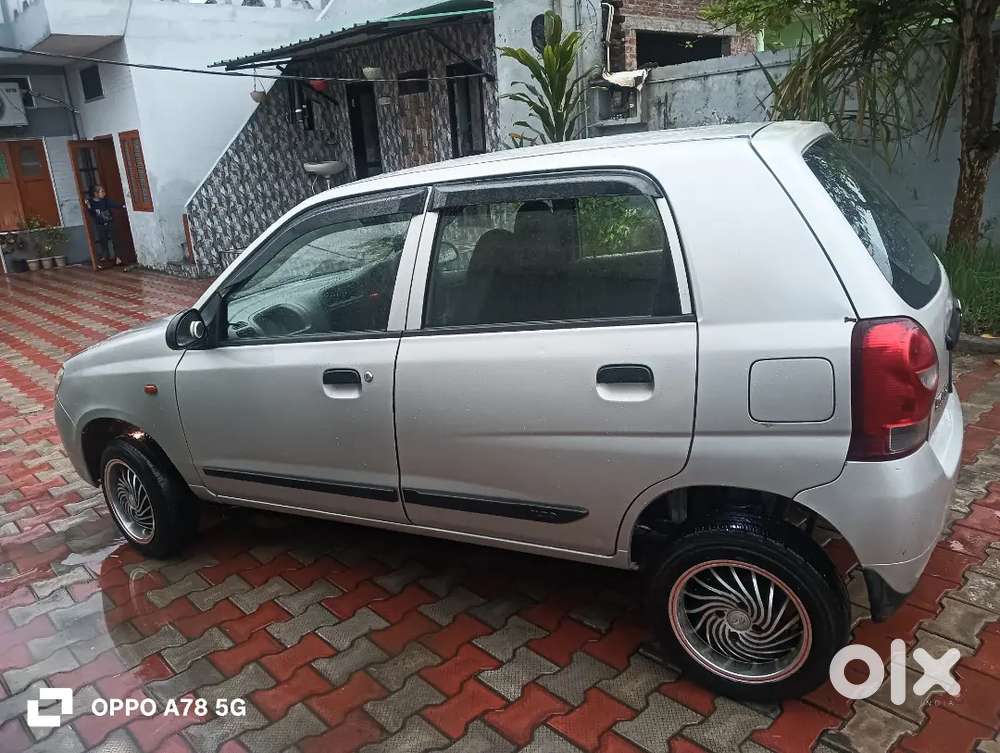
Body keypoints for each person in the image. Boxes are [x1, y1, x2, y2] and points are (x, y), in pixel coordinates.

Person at [85, 186, 126, 269]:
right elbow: (91, 213)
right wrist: (88, 205)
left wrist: (123, 206)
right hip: (100, 225)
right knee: (103, 242)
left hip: (110, 223)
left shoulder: (106, 201)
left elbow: (114, 205)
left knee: (115, 240)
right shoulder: (91, 202)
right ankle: (105, 259)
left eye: (103, 191)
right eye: (102, 191)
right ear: (95, 194)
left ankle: (118, 258)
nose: (104, 193)